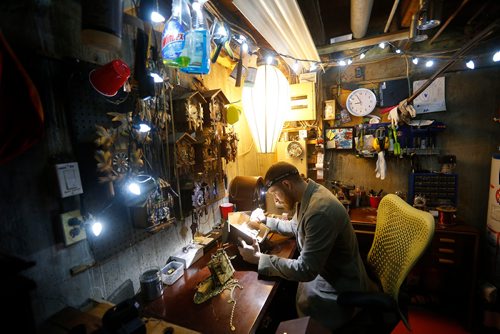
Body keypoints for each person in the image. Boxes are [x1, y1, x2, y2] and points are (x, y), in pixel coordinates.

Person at [238, 161, 378, 331]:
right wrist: (266, 221)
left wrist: (259, 259)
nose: (275, 199)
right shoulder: (308, 194)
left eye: (275, 193)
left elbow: (306, 269)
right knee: (285, 291)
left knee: (286, 299)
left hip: (339, 285)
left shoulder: (319, 211)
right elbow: (294, 227)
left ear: (287, 184)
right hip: (329, 271)